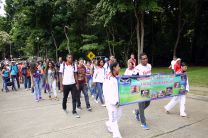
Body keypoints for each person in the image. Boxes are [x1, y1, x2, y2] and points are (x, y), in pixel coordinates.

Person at [103, 62, 122, 138]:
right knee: (114, 121)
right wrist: (114, 102)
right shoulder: (109, 78)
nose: (119, 68)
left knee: (119, 116)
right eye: (118, 66)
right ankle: (117, 136)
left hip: (118, 102)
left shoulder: (115, 76)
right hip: (112, 103)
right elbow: (107, 92)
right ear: (114, 68)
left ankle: (108, 123)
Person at [133, 53, 151, 130]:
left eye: (146, 58)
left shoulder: (149, 66)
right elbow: (133, 78)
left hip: (148, 87)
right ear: (140, 60)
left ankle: (137, 112)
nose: (145, 60)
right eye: (143, 59)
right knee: (141, 105)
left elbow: (150, 75)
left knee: (148, 103)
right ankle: (143, 123)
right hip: (140, 89)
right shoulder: (137, 68)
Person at [60, 54, 80, 118]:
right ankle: (64, 107)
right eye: (69, 57)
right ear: (66, 58)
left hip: (73, 84)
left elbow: (75, 75)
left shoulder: (74, 65)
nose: (70, 59)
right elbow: (60, 76)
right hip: (65, 84)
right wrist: (61, 86)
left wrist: (77, 84)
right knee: (65, 97)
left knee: (74, 98)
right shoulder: (62, 65)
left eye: (71, 58)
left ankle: (74, 111)